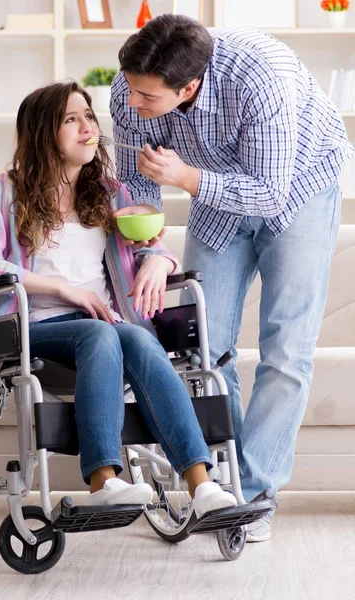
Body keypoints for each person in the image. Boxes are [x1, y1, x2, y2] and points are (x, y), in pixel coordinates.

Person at [110, 15, 355, 541]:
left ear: (189, 86)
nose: (133, 104)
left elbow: (268, 193)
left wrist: (185, 177)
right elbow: (134, 181)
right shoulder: (132, 84)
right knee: (204, 346)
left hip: (298, 186)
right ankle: (226, 488)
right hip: (214, 191)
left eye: (148, 97)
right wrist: (153, 249)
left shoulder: (260, 79)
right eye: (131, 90)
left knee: (286, 344)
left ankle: (257, 491)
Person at [0, 81, 237, 516]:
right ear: (42, 133)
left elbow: (152, 245)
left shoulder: (110, 192)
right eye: (71, 119)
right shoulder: (9, 190)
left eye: (89, 116)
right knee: (102, 334)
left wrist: (156, 262)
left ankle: (201, 485)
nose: (87, 126)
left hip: (103, 327)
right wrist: (59, 288)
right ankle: (103, 480)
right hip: (34, 328)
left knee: (140, 341)